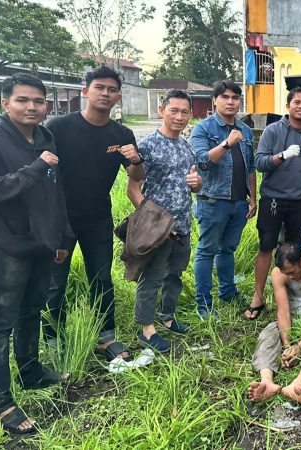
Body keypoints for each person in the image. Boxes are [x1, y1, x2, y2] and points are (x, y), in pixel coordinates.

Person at [0, 74, 74, 434]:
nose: (31, 107)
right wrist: (34, 169)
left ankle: (31, 372)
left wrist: (64, 235)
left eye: (38, 101)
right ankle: (0, 402)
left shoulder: (44, 136)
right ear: (6, 103)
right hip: (6, 246)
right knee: (1, 321)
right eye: (22, 100)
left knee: (32, 310)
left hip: (42, 241)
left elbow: (56, 190)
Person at [43, 66, 145, 363]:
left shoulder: (122, 134)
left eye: (111, 90)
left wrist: (136, 160)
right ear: (85, 91)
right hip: (60, 218)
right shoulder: (59, 127)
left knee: (101, 278)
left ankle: (105, 337)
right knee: (54, 281)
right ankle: (52, 340)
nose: (105, 93)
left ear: (118, 97)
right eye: (99, 87)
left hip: (98, 217)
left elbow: (137, 175)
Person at [126, 89, 202, 353]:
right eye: (174, 111)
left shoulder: (187, 147)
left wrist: (197, 184)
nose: (179, 117)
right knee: (152, 277)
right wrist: (152, 221)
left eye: (184, 112)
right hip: (157, 230)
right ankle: (147, 330)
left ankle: (167, 317)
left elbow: (193, 187)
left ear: (190, 115)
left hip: (182, 225)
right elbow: (133, 188)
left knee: (174, 276)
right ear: (162, 110)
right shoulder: (146, 146)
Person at [249, 87, 301, 320]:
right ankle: (259, 296)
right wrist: (281, 156)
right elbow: (259, 162)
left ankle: (290, 295)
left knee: (293, 251)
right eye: (297, 102)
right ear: (288, 105)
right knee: (266, 247)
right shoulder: (273, 131)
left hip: (300, 201)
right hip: (273, 199)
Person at [189, 80, 257, 319]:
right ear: (215, 100)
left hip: (239, 202)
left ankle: (227, 292)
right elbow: (202, 162)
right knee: (207, 251)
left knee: (227, 250)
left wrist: (253, 197)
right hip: (213, 201)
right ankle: (204, 305)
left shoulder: (245, 131)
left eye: (235, 98)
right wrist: (227, 143)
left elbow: (251, 166)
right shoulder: (204, 129)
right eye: (225, 97)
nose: (230, 102)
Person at [247, 243, 301, 403]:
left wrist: (300, 346)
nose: (290, 277)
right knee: (268, 333)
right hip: (292, 319)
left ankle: (298, 383)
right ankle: (267, 382)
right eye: (286, 274)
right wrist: (288, 346)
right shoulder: (278, 273)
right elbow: (283, 311)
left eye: (292, 272)